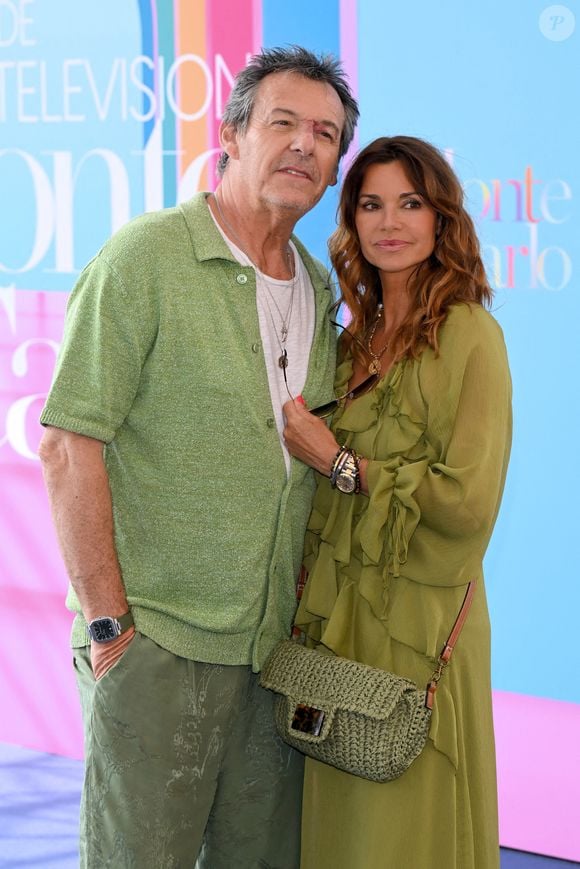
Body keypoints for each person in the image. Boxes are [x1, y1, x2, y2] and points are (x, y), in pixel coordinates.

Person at [38, 45, 358, 869]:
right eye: (282, 122)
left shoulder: (318, 289)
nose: (302, 144)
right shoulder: (146, 257)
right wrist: (112, 626)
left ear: (334, 166)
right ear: (232, 133)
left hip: (268, 652)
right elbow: (69, 444)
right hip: (156, 642)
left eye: (323, 133)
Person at [282, 136, 512, 869]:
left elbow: (468, 503)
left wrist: (342, 463)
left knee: (406, 828)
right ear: (351, 221)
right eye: (372, 204)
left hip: (420, 617)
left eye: (410, 203)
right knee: (341, 825)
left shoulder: (471, 334)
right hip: (342, 617)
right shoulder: (351, 343)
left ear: (441, 218)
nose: (391, 222)